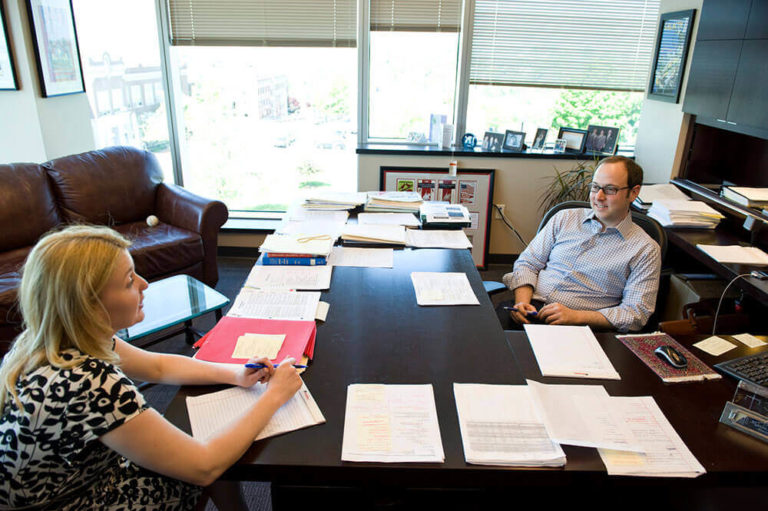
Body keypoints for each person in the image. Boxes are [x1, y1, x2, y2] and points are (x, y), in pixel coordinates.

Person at [0, 225, 303, 510]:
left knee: (204, 437)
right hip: (74, 500)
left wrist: (235, 374)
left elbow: (157, 366)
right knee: (216, 453)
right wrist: (273, 397)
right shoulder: (90, 383)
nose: (145, 284)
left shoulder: (56, 338)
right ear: (90, 306)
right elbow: (204, 465)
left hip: (71, 479)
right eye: (130, 280)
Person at [501, 156, 661, 333]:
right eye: (595, 187)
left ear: (633, 193)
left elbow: (635, 313)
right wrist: (522, 302)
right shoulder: (565, 218)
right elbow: (528, 263)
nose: (599, 197)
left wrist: (576, 317)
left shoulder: (645, 249)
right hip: (530, 309)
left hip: (581, 326)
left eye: (610, 189)